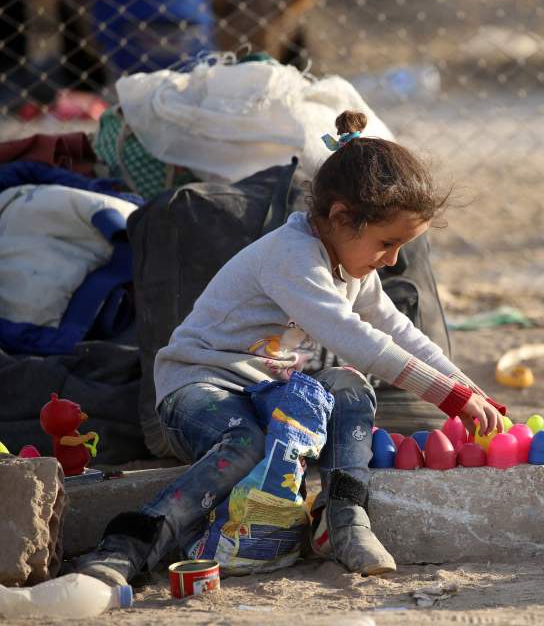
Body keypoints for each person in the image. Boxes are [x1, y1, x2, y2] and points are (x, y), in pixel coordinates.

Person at [75, 110, 505, 584]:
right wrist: (449, 398)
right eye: (387, 243)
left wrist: (471, 390)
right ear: (341, 217)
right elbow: (357, 337)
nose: (393, 260)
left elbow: (398, 329)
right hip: (201, 388)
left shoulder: (350, 265)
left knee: (348, 386)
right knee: (246, 444)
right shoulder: (292, 257)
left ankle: (342, 519)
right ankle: (133, 543)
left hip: (274, 395)